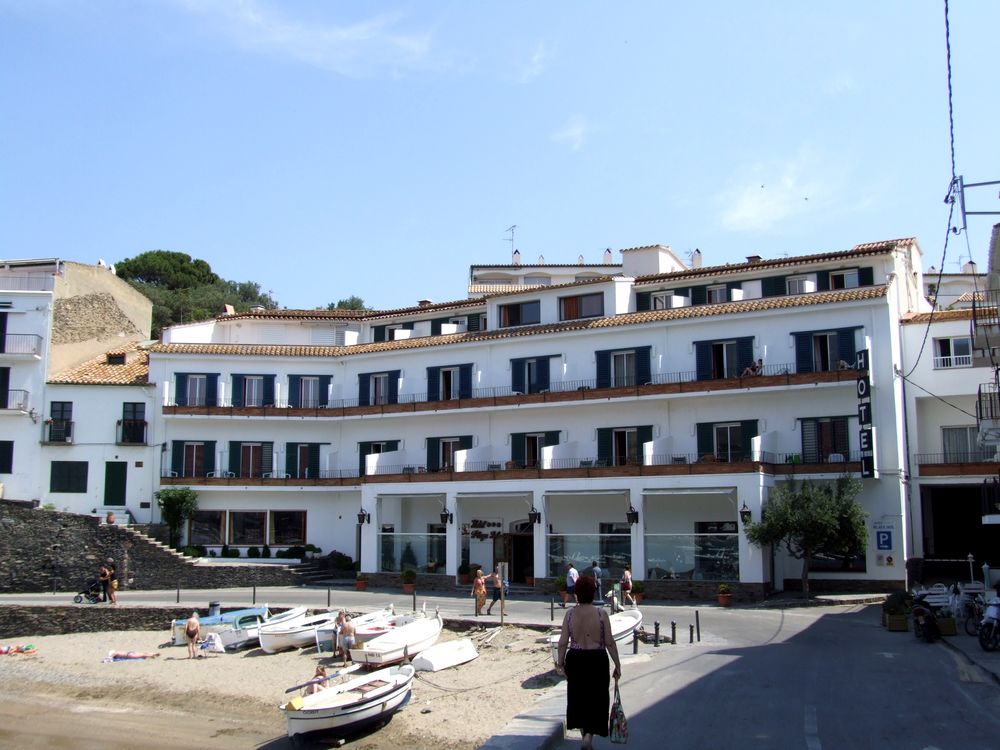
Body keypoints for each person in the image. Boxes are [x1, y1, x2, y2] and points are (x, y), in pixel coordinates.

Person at [556, 575, 622, 750]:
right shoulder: (601, 614)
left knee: (578, 698)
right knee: (597, 699)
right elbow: (609, 642)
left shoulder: (570, 614)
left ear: (577, 593)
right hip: (597, 659)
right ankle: (588, 738)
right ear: (593, 593)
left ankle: (583, 733)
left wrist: (560, 663)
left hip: (576, 659)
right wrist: (617, 664)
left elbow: (563, 642)